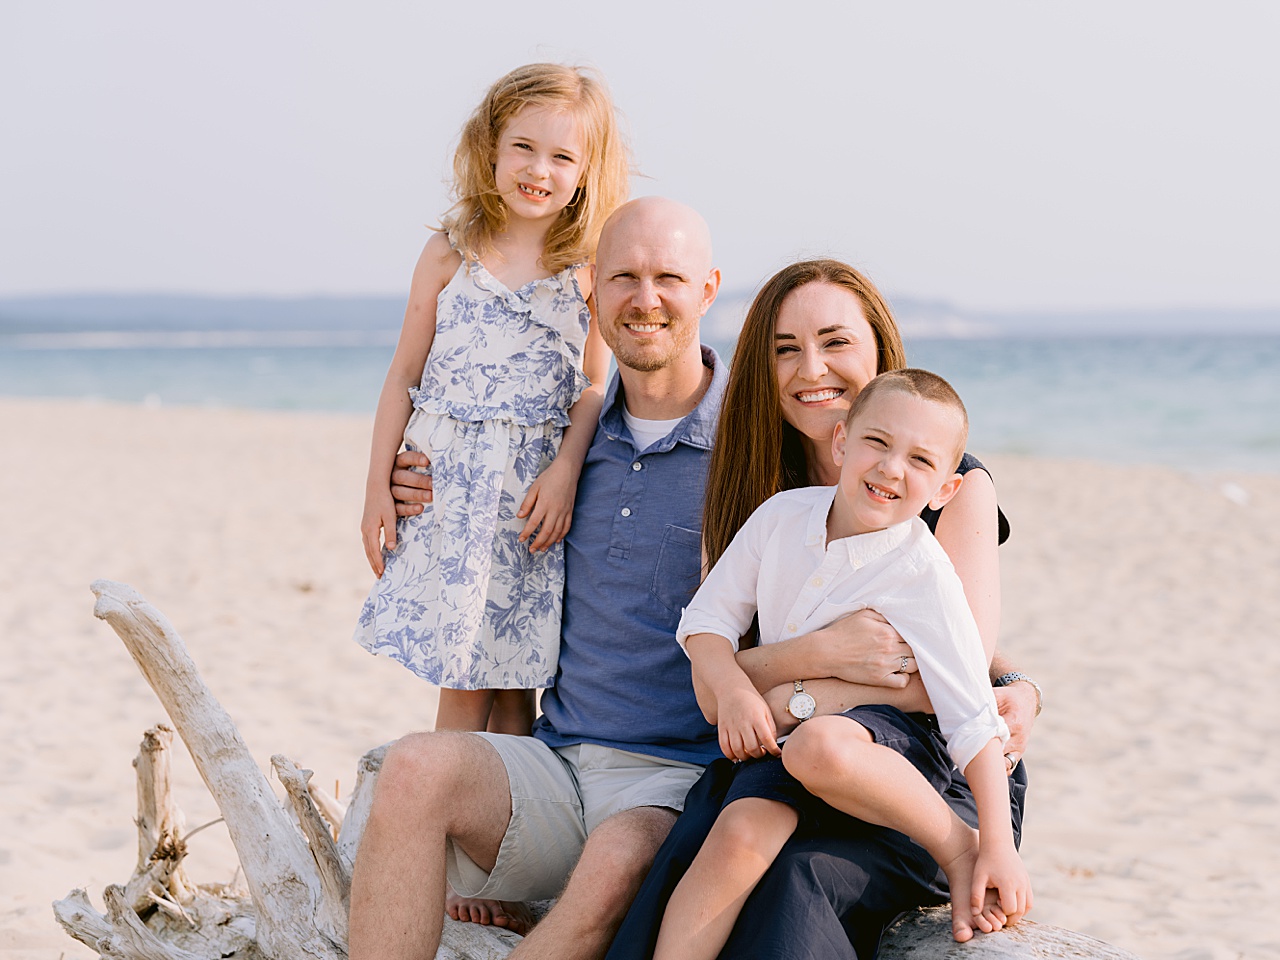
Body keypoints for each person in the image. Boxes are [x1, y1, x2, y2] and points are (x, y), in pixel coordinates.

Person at [606, 259, 1040, 960]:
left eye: (836, 341)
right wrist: (806, 668)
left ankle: (953, 851)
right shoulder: (772, 502)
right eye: (785, 348)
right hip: (782, 743)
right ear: (845, 442)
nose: (812, 366)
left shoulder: (935, 517)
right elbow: (709, 658)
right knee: (721, 841)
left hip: (916, 766)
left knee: (797, 860)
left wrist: (788, 700)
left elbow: (948, 690)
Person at [347, 196, 730, 960]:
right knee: (412, 767)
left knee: (614, 865)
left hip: (671, 783)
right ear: (591, 288)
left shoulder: (749, 445)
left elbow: (882, 493)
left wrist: (1009, 678)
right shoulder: (555, 442)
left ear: (709, 290)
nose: (645, 298)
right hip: (555, 764)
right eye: (623, 277)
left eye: (668, 278)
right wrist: (401, 478)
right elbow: (467, 483)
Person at [353, 63, 628, 738]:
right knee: (463, 676)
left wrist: (565, 471)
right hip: (451, 495)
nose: (540, 169)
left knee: (515, 681)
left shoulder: (586, 270)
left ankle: (502, 827)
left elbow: (596, 386)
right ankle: (444, 808)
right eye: (524, 148)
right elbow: (402, 377)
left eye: (562, 156)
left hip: (533, 498)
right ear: (492, 149)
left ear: (586, 171)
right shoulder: (450, 254)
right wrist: (376, 490)